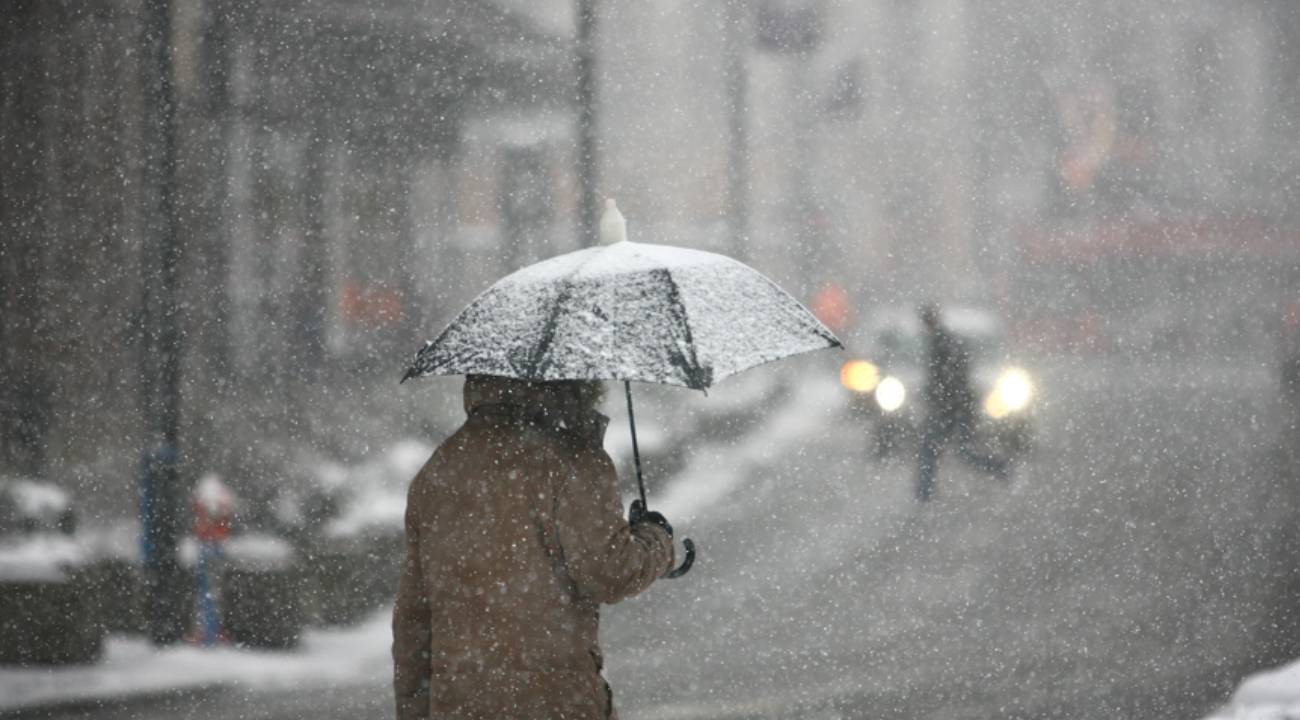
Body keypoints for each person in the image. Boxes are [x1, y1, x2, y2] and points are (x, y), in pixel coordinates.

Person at [393, 374, 675, 720]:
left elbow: (413, 619)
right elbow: (610, 572)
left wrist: (415, 708)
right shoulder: (574, 459)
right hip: (555, 702)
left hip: (459, 704)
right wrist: (656, 539)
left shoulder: (439, 469)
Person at [915, 303, 1010, 501]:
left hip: (952, 409)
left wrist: (940, 399)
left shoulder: (942, 344)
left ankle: (924, 494)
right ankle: (1000, 468)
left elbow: (949, 379)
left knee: (938, 450)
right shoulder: (943, 342)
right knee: (956, 451)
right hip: (955, 408)